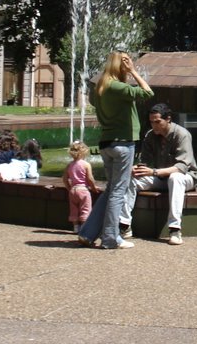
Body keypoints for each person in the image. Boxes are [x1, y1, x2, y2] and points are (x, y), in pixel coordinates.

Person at [77, 51, 153, 249]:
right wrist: (134, 72)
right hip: (123, 143)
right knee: (119, 191)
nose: (130, 65)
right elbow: (147, 93)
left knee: (111, 189)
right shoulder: (118, 87)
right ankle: (111, 238)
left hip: (107, 143)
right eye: (127, 62)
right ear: (121, 65)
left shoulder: (102, 86)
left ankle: (87, 233)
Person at [120, 102, 197, 245]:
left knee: (175, 178)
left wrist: (154, 171)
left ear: (168, 119)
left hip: (186, 177)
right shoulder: (150, 135)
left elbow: (181, 166)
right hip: (160, 178)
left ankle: (175, 229)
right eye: (151, 122)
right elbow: (144, 162)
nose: (154, 125)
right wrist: (136, 168)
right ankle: (124, 226)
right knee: (131, 179)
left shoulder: (182, 134)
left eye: (157, 122)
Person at [63, 140, 99, 234]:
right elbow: (90, 179)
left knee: (74, 209)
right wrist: (94, 187)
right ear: (84, 152)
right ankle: (84, 228)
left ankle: (75, 228)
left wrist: (69, 188)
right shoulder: (86, 164)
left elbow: (64, 179)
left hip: (73, 190)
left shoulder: (69, 165)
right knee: (85, 209)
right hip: (83, 190)